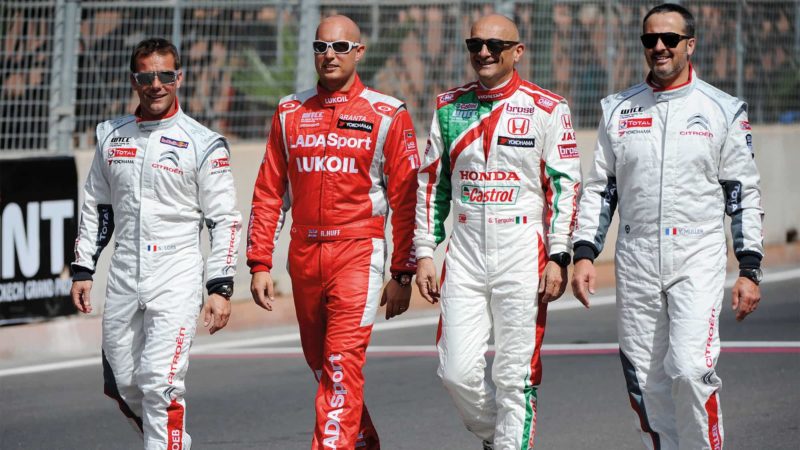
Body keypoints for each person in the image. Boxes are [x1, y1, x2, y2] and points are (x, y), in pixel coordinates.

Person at [571, 4, 763, 449]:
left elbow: (743, 192)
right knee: (645, 379)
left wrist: (750, 268)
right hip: (636, 256)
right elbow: (600, 188)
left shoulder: (724, 110)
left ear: (689, 45)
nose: (659, 47)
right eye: (649, 39)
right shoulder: (618, 109)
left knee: (691, 369)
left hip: (697, 252)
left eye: (670, 39)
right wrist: (585, 253)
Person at [247, 15, 419, 450]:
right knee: (323, 366)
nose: (330, 56)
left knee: (341, 365)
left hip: (358, 254)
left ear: (359, 52)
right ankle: (362, 440)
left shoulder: (387, 113)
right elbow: (269, 192)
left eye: (340, 48)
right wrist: (259, 261)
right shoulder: (289, 111)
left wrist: (402, 273)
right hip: (303, 255)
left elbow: (406, 201)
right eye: (321, 47)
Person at [414, 14, 581, 450]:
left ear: (518, 51)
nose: (483, 52)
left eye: (494, 44)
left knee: (514, 374)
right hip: (465, 251)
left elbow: (565, 186)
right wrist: (424, 251)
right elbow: (432, 184)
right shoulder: (449, 107)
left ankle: (510, 443)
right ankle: (498, 436)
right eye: (475, 44)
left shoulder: (548, 107)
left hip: (522, 249)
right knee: (456, 372)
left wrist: (559, 255)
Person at [70, 38, 241, 450]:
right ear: (135, 81)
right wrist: (83, 268)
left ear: (178, 78)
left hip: (177, 272)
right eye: (147, 76)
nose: (157, 84)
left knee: (161, 384)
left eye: (165, 75)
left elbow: (225, 220)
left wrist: (219, 286)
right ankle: (173, 443)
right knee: (122, 383)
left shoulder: (203, 143)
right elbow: (96, 205)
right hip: (126, 270)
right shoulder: (111, 136)